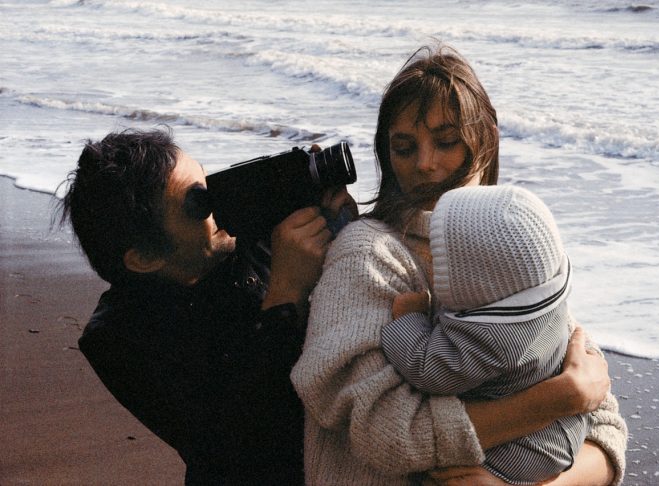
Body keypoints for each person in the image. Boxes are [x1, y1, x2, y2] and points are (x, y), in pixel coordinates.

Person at [291, 44, 627, 485]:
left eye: (446, 142)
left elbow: (604, 425)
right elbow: (387, 432)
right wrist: (555, 400)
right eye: (404, 147)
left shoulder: (512, 245)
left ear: (486, 141)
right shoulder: (368, 254)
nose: (424, 164)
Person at [58, 128, 356, 485]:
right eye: (197, 204)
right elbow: (238, 450)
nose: (218, 202)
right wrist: (285, 299)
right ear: (145, 257)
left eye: (206, 180)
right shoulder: (118, 338)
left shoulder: (247, 233)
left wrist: (344, 229)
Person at [381, 184, 592, 485]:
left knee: (445, 476)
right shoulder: (547, 295)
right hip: (568, 426)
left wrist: (409, 319)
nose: (430, 258)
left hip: (525, 451)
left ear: (476, 282)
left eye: (441, 258)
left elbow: (427, 369)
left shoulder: (491, 338)